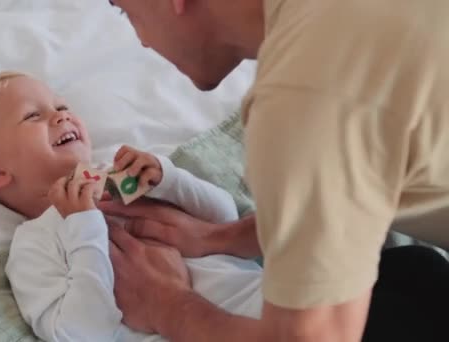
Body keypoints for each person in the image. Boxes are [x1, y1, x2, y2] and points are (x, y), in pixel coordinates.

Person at [103, 0, 449, 341]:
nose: (143, 40)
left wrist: (169, 307)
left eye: (125, 10)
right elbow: (340, 182)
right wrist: (219, 237)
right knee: (412, 272)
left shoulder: (302, 99)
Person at [0, 71, 268, 341]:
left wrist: (171, 180)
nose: (61, 114)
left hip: (272, 305)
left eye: (61, 105)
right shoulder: (34, 244)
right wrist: (84, 228)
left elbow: (226, 222)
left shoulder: (125, 176)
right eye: (33, 115)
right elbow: (81, 332)